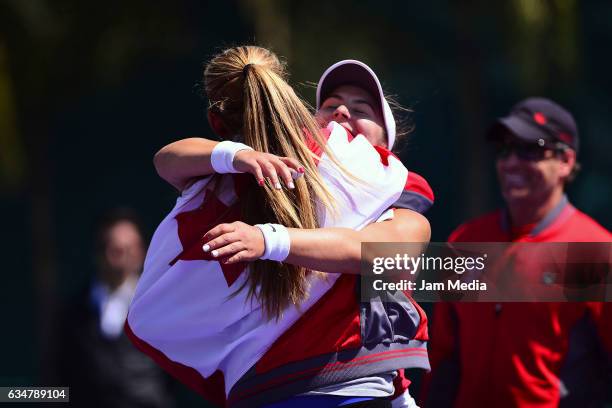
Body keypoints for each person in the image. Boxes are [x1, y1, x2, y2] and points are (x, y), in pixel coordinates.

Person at [126, 46, 432, 408]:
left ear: (386, 142)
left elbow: (389, 252)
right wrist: (235, 155)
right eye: (330, 105)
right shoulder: (261, 167)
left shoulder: (397, 188)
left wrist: (269, 239)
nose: (342, 112)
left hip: (345, 383)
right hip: (261, 384)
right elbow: (167, 160)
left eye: (362, 109)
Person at [424, 97, 612, 408]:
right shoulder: (466, 240)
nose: (511, 162)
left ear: (565, 162)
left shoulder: (595, 251)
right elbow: (443, 355)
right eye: (505, 149)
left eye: (530, 149)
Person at [56, 209, 175, 408]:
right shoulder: (73, 312)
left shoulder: (161, 307)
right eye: (113, 248)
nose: (121, 256)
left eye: (129, 248)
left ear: (142, 251)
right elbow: (59, 377)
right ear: (98, 251)